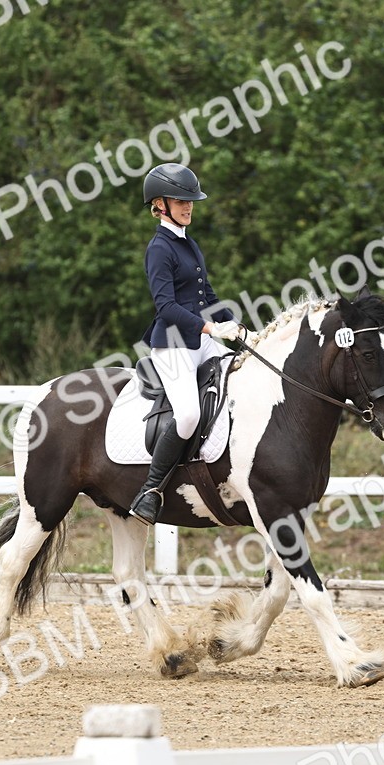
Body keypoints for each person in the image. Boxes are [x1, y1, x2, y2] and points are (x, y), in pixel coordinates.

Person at [130, 163, 241, 525]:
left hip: (202, 338)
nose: (188, 206)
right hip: (174, 344)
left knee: (239, 374)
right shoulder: (159, 248)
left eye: (191, 201)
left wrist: (235, 327)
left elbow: (205, 293)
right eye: (181, 201)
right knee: (189, 414)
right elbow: (166, 306)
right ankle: (151, 490)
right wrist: (210, 329)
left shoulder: (188, 242)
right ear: (159, 205)